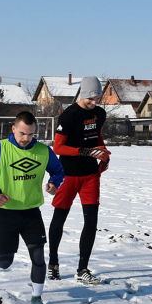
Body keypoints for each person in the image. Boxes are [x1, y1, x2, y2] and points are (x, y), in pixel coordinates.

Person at [0, 111, 65, 304]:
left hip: (31, 212)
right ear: (14, 129)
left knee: (38, 256)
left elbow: (58, 171)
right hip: (5, 212)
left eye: (31, 134)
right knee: (5, 263)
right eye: (23, 134)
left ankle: (36, 297)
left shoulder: (43, 151)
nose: (26, 138)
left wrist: (53, 183)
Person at [48, 76, 110, 284]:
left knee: (91, 221)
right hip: (68, 173)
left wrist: (104, 154)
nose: (94, 102)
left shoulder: (100, 114)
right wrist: (85, 151)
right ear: (83, 94)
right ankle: (53, 263)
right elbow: (58, 147)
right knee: (60, 218)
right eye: (90, 98)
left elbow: (98, 138)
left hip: (91, 175)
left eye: (97, 98)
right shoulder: (69, 115)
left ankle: (82, 269)